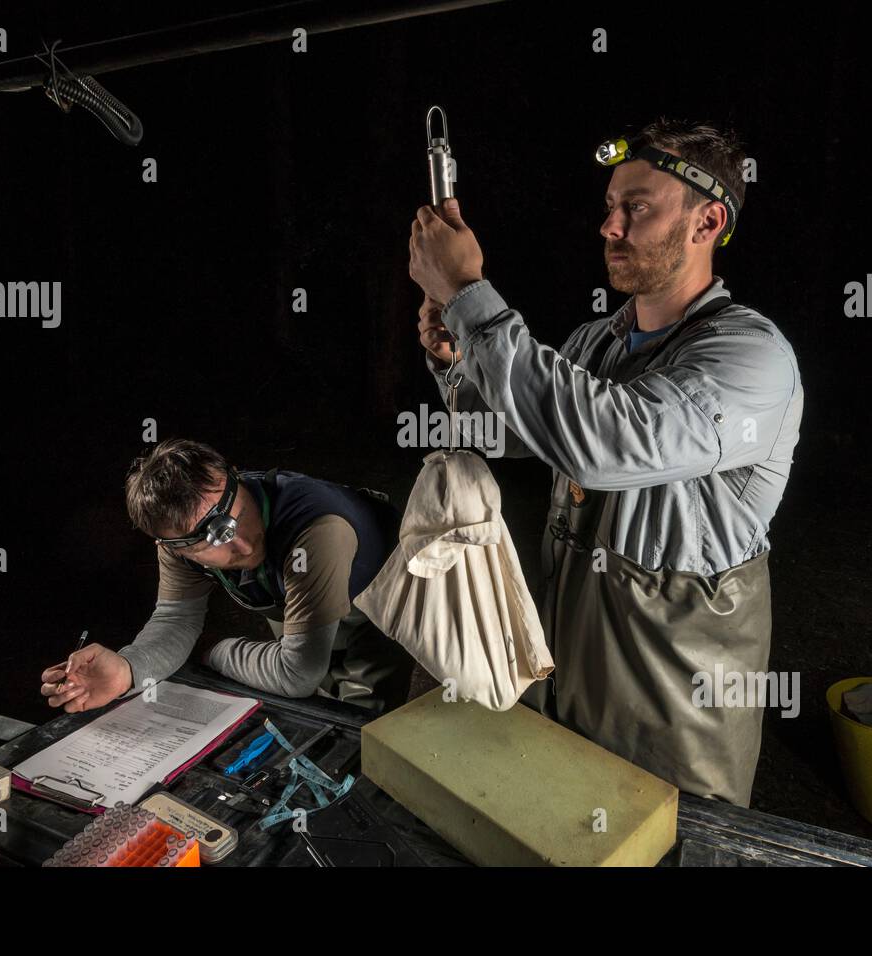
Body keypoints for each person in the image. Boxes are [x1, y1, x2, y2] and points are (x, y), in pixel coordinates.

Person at [408, 117, 803, 807]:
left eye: (637, 208)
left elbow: (601, 444)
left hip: (674, 714)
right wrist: (457, 363)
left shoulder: (751, 356)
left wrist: (472, 292)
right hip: (570, 667)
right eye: (610, 209)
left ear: (708, 222)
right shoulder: (598, 340)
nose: (610, 227)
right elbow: (516, 434)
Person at [39, 438, 414, 714]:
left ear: (234, 476)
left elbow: (297, 673)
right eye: (208, 541)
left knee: (363, 719)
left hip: (376, 595)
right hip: (292, 589)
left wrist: (206, 649)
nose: (241, 544)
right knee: (315, 696)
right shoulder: (176, 542)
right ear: (173, 547)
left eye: (233, 515)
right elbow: (176, 621)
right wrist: (128, 668)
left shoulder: (317, 530)